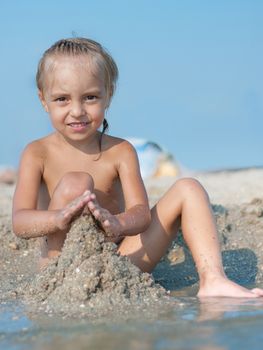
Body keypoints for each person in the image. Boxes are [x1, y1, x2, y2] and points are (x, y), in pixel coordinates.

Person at [12, 37, 263, 298]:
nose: (77, 110)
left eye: (90, 97)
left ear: (108, 95)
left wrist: (118, 223)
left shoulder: (120, 151)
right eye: (62, 99)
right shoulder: (36, 153)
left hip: (118, 262)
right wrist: (57, 218)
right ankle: (66, 279)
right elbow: (20, 221)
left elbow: (141, 213)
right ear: (43, 100)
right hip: (60, 271)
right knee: (77, 181)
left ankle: (213, 280)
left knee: (189, 187)